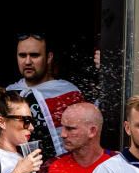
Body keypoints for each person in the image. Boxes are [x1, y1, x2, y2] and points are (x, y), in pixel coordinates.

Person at [6, 32, 83, 160]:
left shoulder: (69, 94)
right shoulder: (9, 93)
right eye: (22, 55)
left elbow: (84, 138)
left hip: (62, 172)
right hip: (17, 172)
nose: (28, 61)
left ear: (49, 57)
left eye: (35, 55)